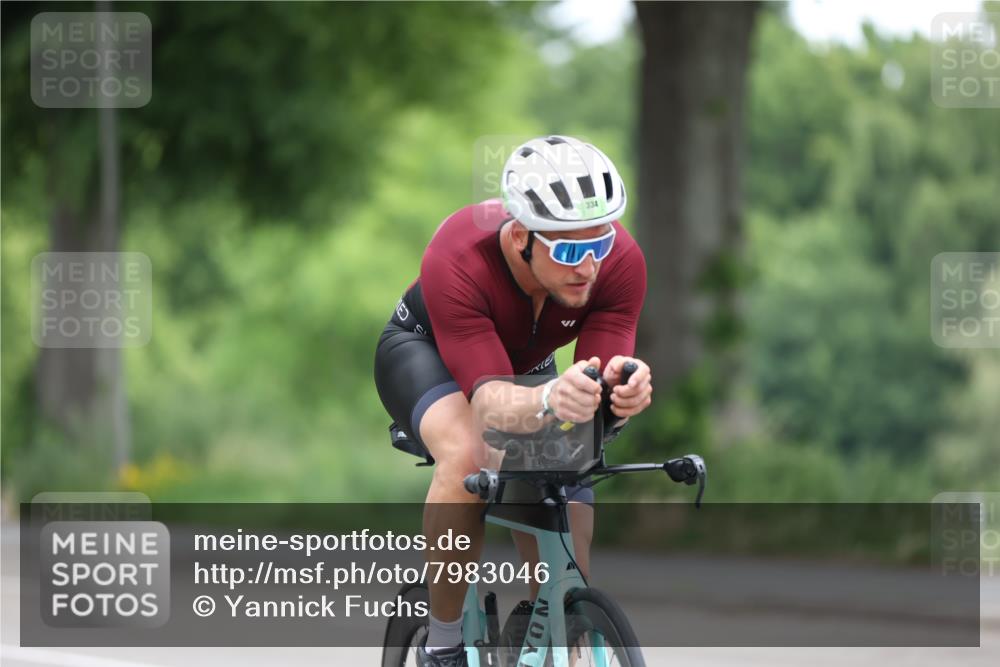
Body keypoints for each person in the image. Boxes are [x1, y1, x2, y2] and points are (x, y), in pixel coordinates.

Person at [374, 135, 652, 666]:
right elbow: (490, 405)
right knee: (469, 456)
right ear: (521, 235)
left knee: (569, 484)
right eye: (568, 251)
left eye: (599, 245)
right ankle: (442, 644)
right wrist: (549, 396)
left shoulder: (620, 262)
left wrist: (620, 394)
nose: (588, 267)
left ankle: (551, 633)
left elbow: (599, 376)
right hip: (427, 353)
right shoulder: (459, 254)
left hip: (526, 366)